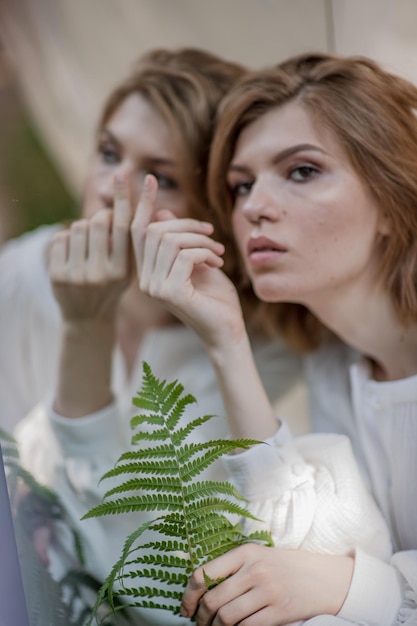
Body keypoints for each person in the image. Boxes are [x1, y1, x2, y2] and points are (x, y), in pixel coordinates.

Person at [4, 48, 302, 625]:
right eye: (108, 153)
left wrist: (84, 328)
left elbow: (149, 580)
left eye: (160, 178)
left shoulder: (268, 358)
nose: (114, 190)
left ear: (217, 205)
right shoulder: (25, 274)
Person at [132, 52, 417, 625]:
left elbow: (334, 582)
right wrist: (226, 342)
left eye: (302, 171)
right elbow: (296, 564)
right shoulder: (336, 369)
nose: (255, 208)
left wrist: (354, 582)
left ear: (391, 196)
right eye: (240, 186)